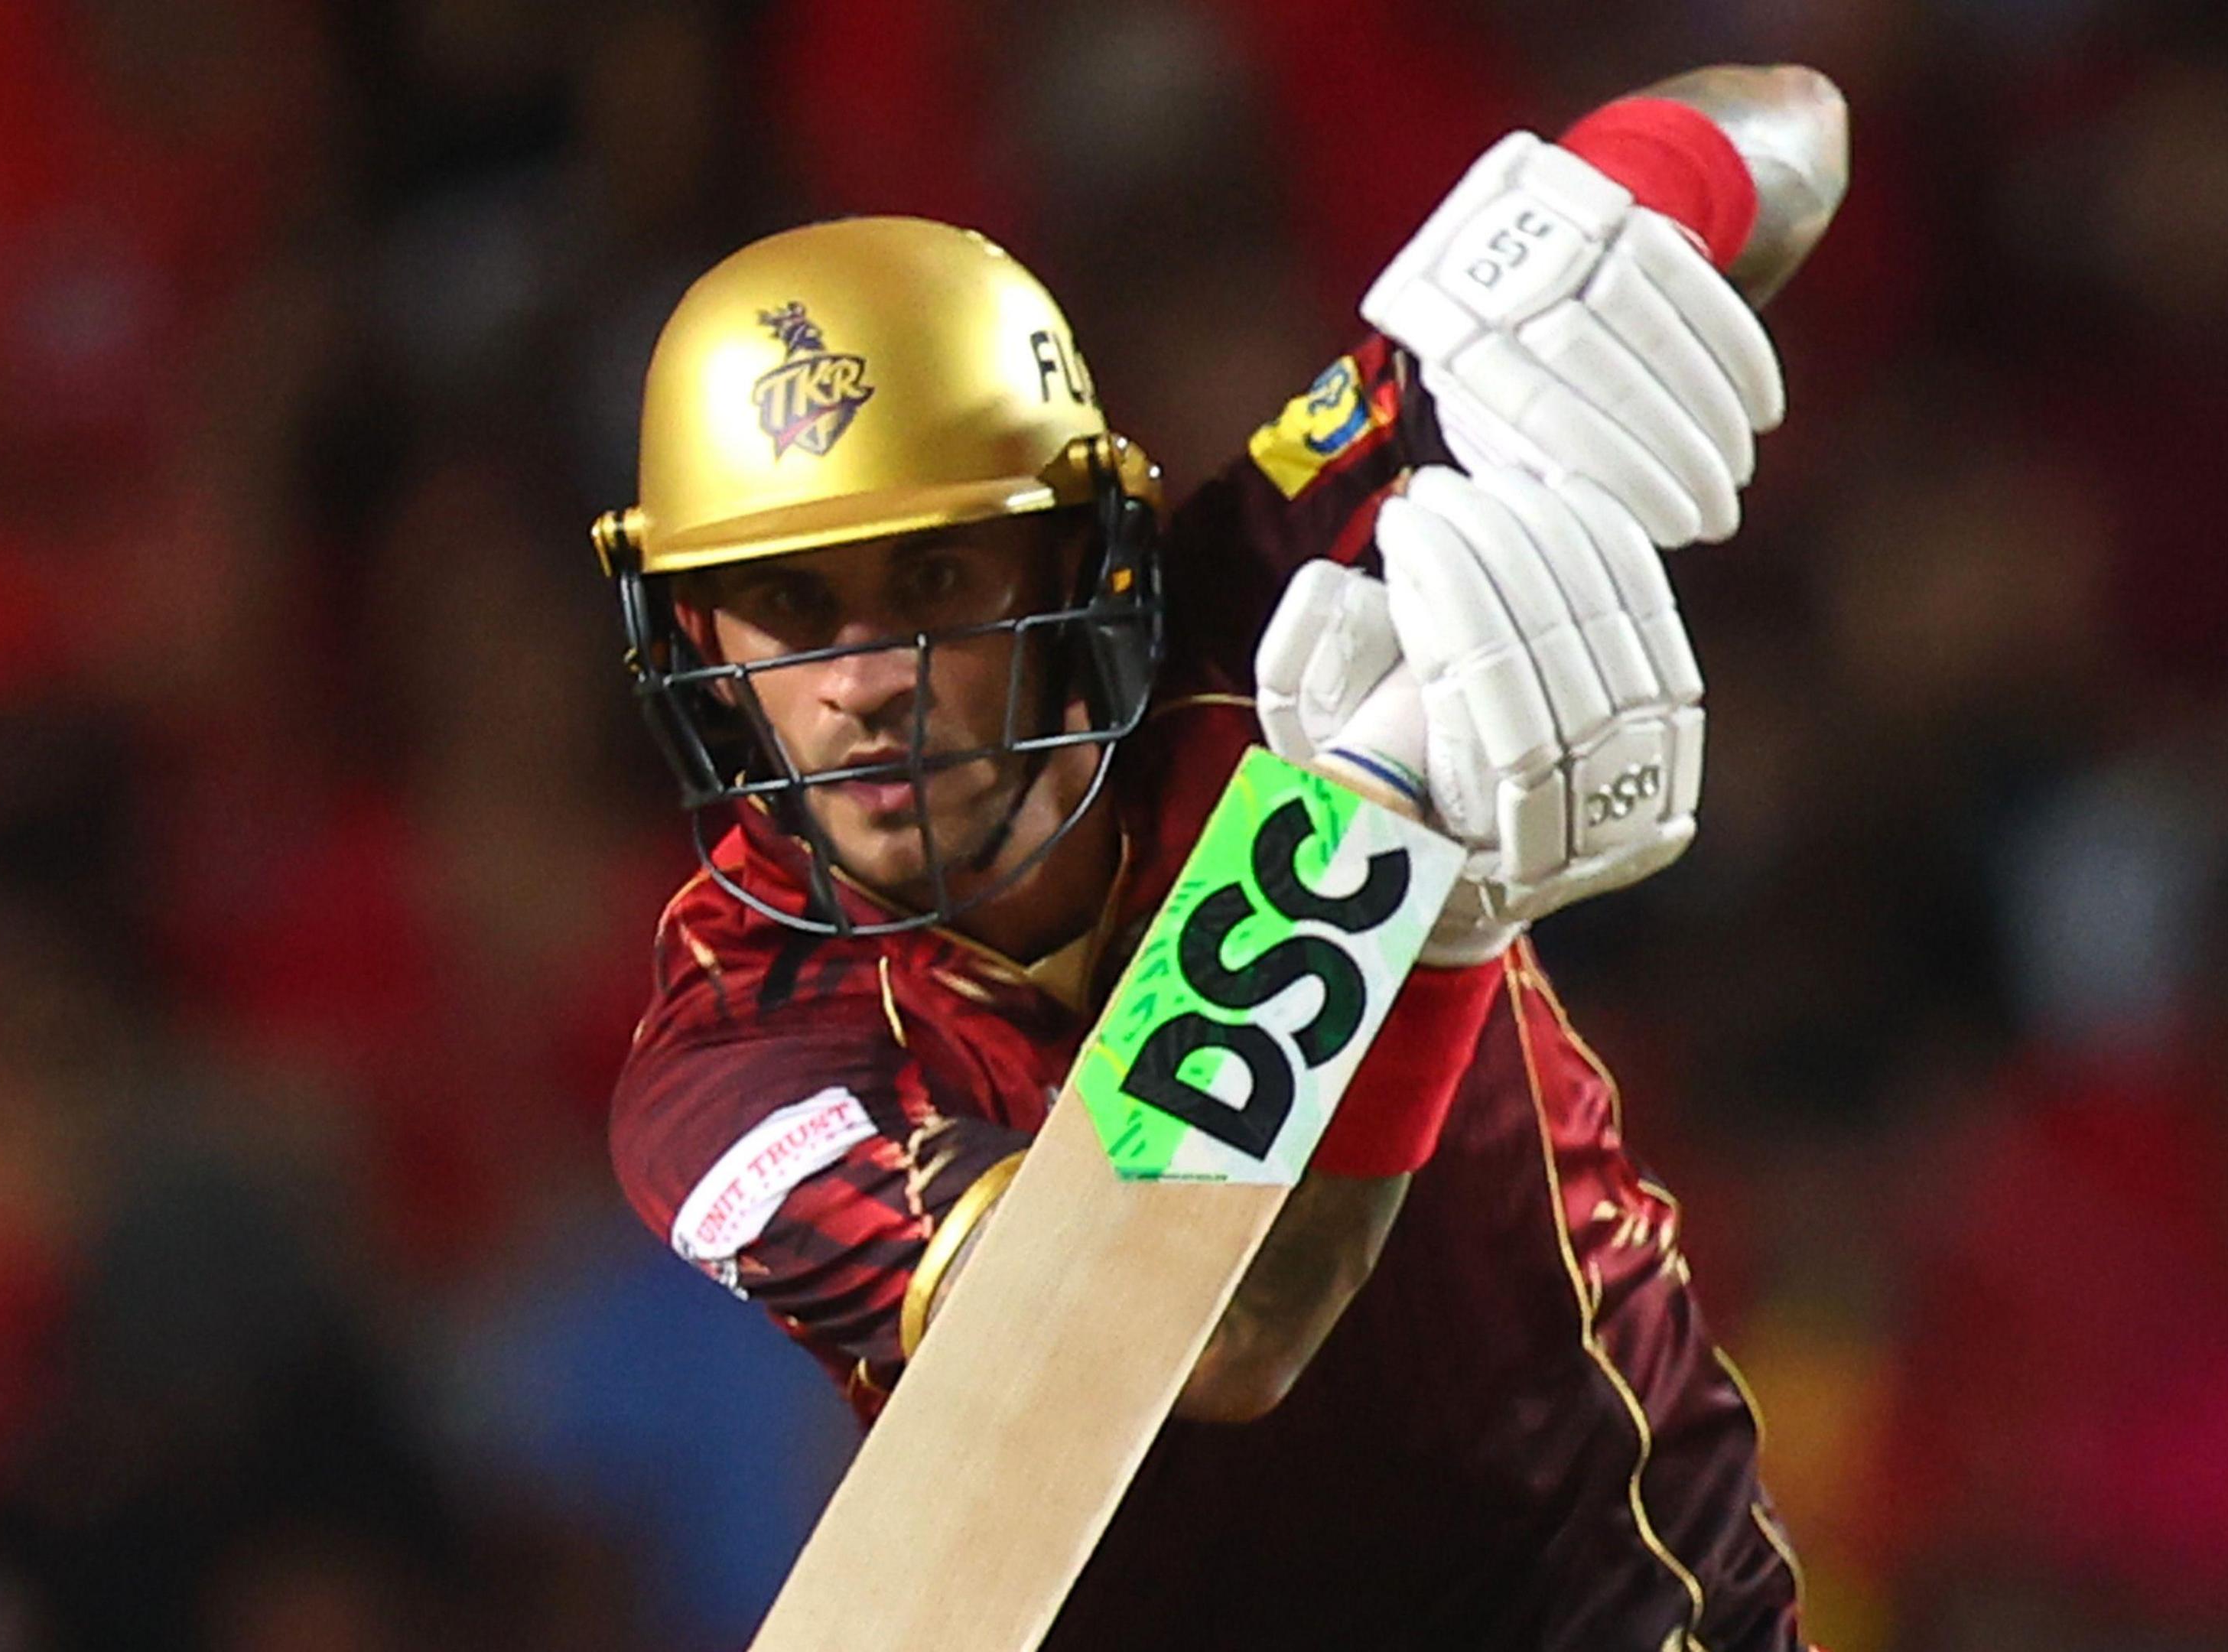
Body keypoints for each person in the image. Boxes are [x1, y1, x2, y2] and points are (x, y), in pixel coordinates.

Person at [597, 83, 1820, 1652]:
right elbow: (1199, 1337)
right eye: (789, 605)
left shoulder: (1269, 591)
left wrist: (1604, 253)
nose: (864, 681)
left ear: (1076, 561)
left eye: (937, 576)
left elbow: (1792, 125)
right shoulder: (728, 1068)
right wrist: (1399, 873)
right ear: (696, 639)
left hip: (1632, 1610)